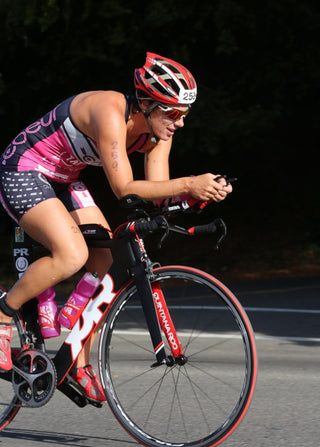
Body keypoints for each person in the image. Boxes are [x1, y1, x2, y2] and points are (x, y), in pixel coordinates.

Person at [0, 52, 232, 400]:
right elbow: (125, 189)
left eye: (184, 114)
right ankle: (2, 317)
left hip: (62, 178)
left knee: (105, 262)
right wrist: (188, 183)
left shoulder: (160, 133)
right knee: (72, 254)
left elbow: (156, 194)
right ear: (146, 103)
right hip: (23, 169)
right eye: (171, 113)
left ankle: (76, 362)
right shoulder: (109, 110)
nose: (179, 123)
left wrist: (199, 195)